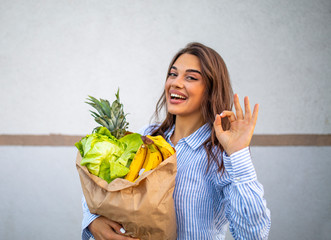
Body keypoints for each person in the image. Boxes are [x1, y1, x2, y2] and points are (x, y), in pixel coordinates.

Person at [81, 42, 271, 240]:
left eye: (190, 77)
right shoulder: (146, 137)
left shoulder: (220, 155)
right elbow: (102, 185)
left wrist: (238, 152)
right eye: (173, 74)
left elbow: (253, 235)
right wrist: (93, 221)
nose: (176, 83)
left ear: (211, 89)